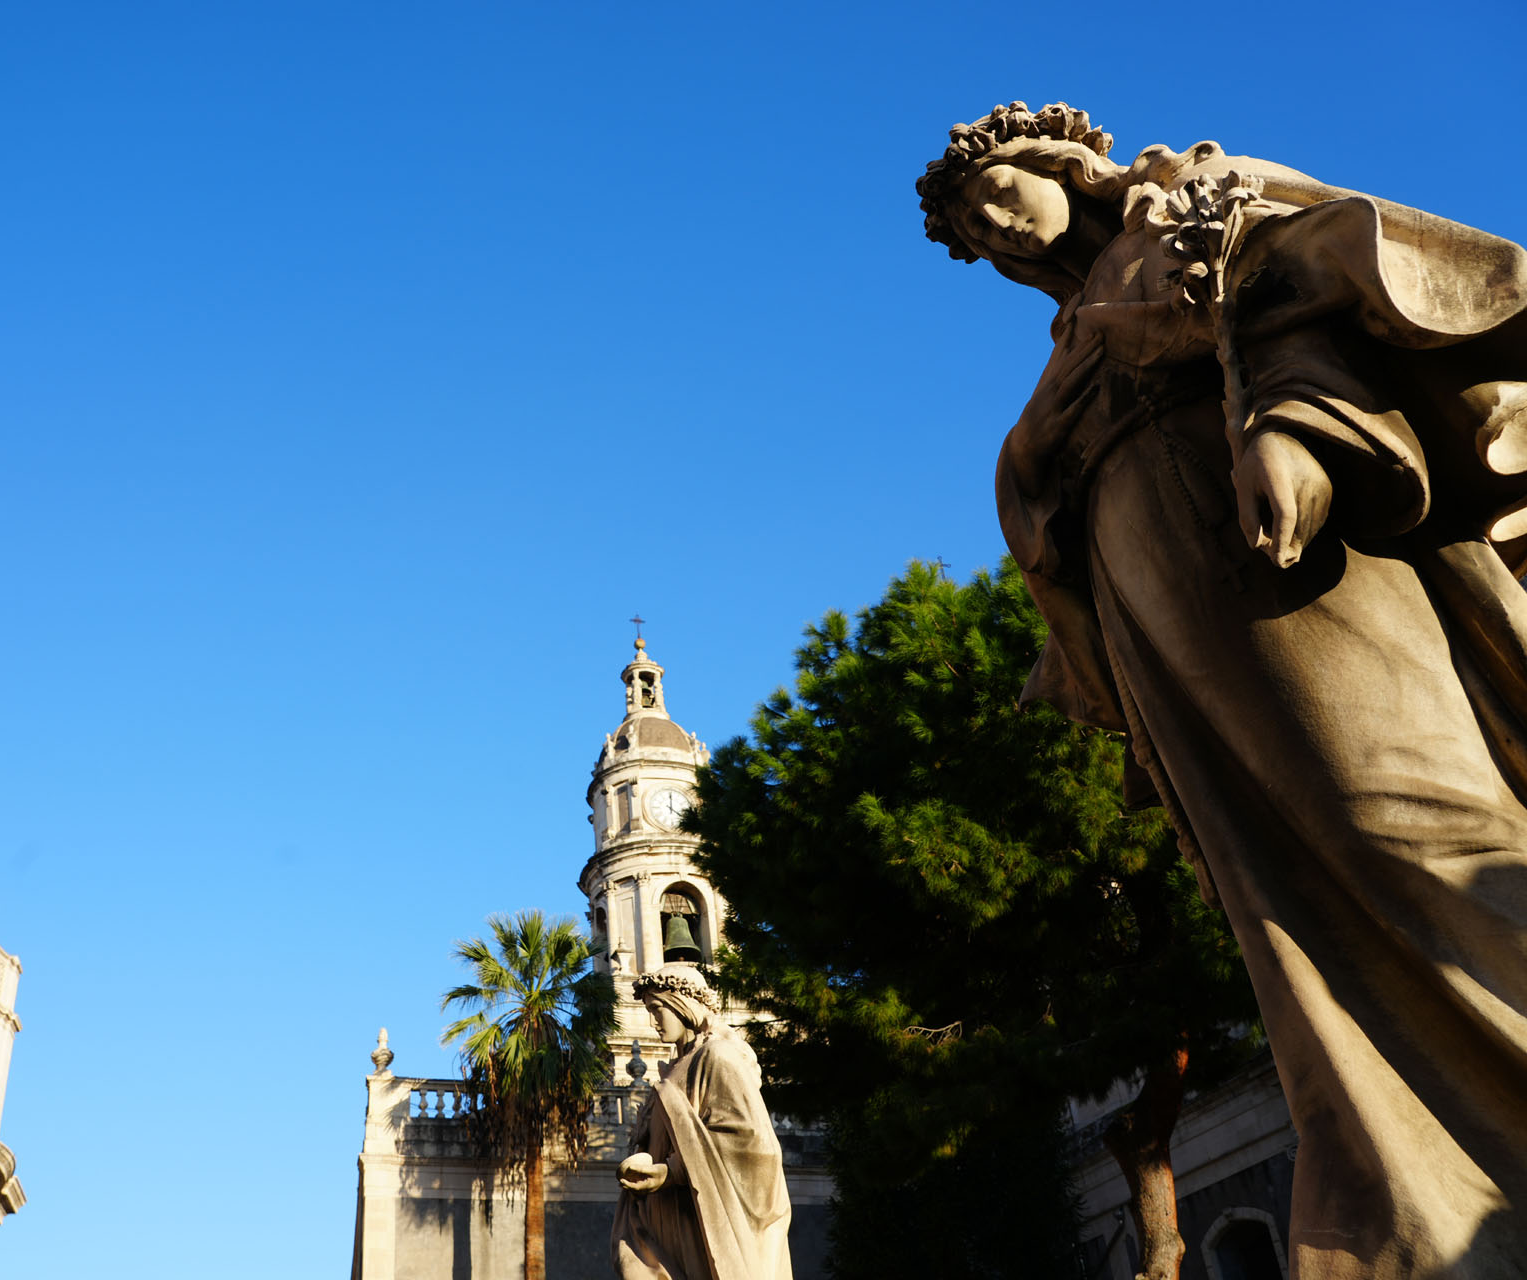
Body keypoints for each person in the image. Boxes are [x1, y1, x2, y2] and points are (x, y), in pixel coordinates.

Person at [918, 102, 1527, 1277]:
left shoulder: (1189, 203)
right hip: (1165, 616)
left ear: (1060, 164)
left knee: (1410, 820)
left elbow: (1314, 276)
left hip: (1281, 557)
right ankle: (1406, 1213)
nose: (996, 231)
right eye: (974, 233)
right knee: (1280, 903)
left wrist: (1291, 424)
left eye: (1001, 196)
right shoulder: (1067, 345)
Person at [612, 963, 791, 1280]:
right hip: (667, 1223)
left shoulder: (717, 1056)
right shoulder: (674, 1069)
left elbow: (755, 1147)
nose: (653, 1021)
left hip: (701, 1222)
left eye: (657, 1009)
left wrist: (672, 1171)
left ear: (681, 1004)